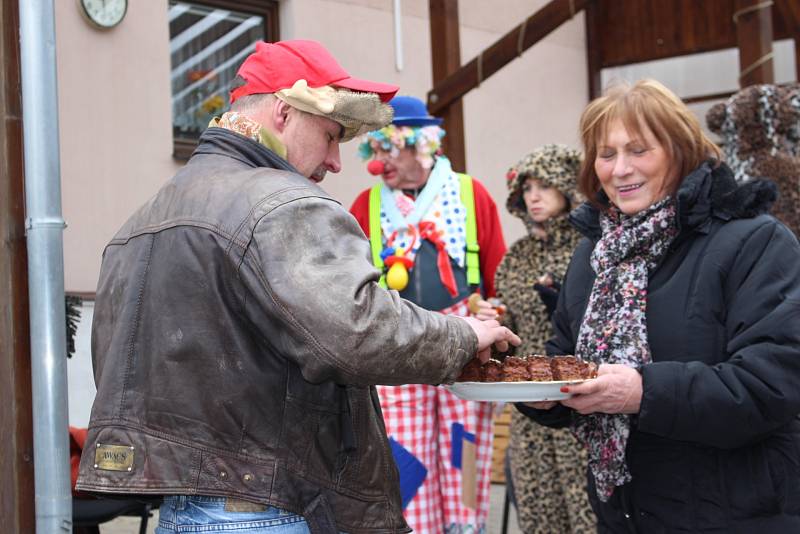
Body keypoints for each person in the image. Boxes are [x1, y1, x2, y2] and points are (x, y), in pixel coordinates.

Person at [75, 40, 520, 534]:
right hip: (271, 511)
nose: (335, 162)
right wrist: (461, 334)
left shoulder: (144, 218)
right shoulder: (286, 202)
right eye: (331, 136)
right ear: (284, 113)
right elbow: (359, 332)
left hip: (187, 513)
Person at [519, 79, 800, 533]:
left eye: (639, 150)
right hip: (625, 513)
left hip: (740, 513)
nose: (620, 169)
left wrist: (641, 392)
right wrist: (534, 389)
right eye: (606, 155)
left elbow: (772, 385)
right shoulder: (593, 257)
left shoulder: (755, 241)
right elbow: (566, 358)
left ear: (681, 150)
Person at [349, 96, 507, 533]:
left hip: (467, 341)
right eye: (374, 151)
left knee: (466, 453)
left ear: (418, 145)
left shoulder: (470, 193)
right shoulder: (366, 204)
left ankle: (467, 527)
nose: (377, 163)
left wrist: (497, 307)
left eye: (387, 149)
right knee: (404, 456)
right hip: (399, 344)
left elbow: (499, 271)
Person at [490, 145, 596, 533]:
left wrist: (562, 307)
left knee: (587, 512)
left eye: (544, 186)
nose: (533, 196)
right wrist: (496, 322)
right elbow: (510, 336)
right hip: (529, 407)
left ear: (568, 187)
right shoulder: (515, 258)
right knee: (539, 517)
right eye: (527, 187)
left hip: (580, 404)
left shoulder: (591, 250)